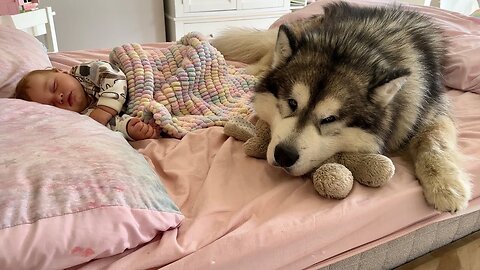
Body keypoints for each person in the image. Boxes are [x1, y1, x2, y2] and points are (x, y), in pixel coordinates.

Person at [15, 61, 156, 141]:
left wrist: (105, 108)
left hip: (143, 80)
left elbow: (113, 74)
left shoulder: (85, 73)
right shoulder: (82, 119)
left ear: (61, 71)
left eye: (54, 86)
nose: (59, 97)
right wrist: (129, 128)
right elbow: (109, 127)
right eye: (52, 106)